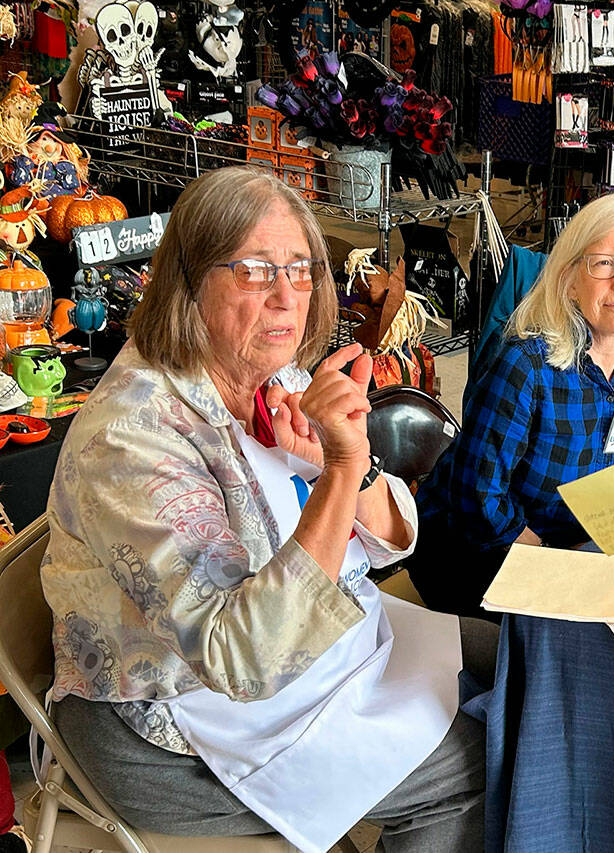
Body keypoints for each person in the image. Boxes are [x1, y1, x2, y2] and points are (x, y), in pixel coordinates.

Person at [41, 166, 489, 852]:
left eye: (303, 269)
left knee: (528, 655)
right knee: (477, 760)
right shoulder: (132, 437)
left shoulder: (267, 371)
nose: (287, 297)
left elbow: (396, 538)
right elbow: (241, 659)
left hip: (315, 653)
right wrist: (338, 471)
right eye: (253, 270)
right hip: (170, 727)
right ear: (189, 281)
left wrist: (350, 464)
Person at [412, 192, 614, 616]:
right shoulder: (525, 362)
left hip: (580, 543)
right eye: (604, 263)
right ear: (570, 279)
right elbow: (479, 501)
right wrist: (561, 566)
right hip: (475, 558)